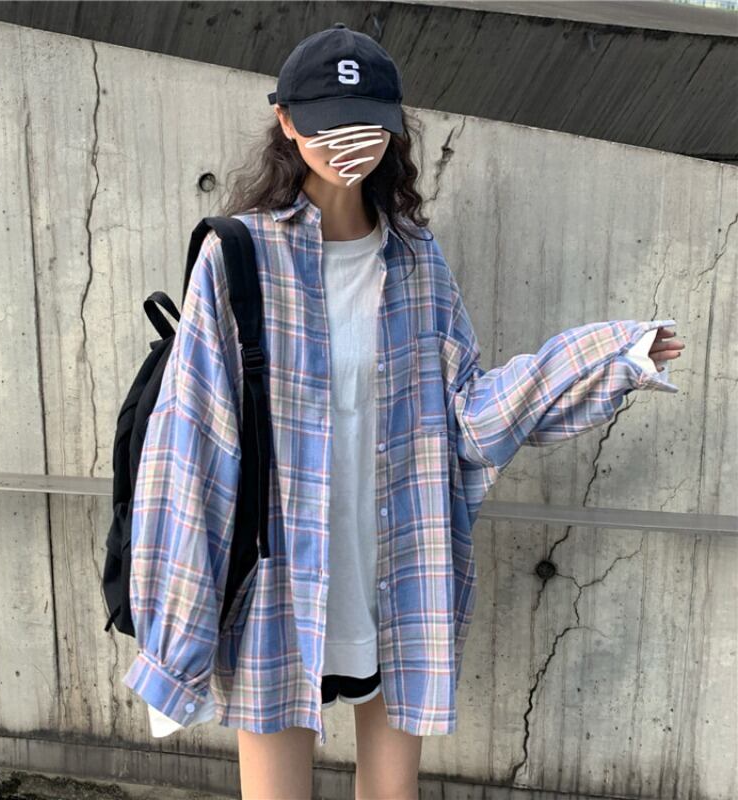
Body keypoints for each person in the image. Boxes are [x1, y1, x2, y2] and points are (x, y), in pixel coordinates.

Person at [121, 23, 685, 800]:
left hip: (399, 570)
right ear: (286, 120)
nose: (347, 143)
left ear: (392, 128)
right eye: (326, 123)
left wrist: (607, 358)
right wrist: (175, 642)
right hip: (279, 581)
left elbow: (469, 420)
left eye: (367, 124)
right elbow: (192, 451)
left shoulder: (417, 259)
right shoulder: (239, 255)